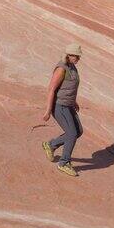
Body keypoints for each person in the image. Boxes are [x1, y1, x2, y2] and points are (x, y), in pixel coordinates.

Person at [42, 43, 84, 176]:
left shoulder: (72, 67)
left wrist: (74, 101)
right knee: (71, 133)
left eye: (78, 56)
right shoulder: (61, 69)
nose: (78, 58)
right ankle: (64, 162)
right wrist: (48, 110)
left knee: (78, 131)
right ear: (69, 55)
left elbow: (69, 87)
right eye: (76, 56)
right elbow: (52, 89)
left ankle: (51, 145)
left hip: (69, 104)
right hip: (59, 106)